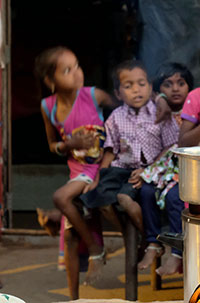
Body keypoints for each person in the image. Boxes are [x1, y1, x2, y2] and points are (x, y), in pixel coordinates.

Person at [36, 46, 114, 296]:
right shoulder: (48, 106)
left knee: (61, 198)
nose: (77, 73)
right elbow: (51, 145)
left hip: (101, 168)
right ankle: (73, 297)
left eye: (77, 65)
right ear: (50, 81)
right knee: (69, 237)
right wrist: (67, 145)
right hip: (78, 173)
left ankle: (94, 248)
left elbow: (124, 114)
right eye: (67, 70)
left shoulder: (95, 96)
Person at [80, 60, 179, 234]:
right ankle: (125, 234)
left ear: (150, 88)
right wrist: (98, 178)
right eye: (128, 86)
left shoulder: (160, 112)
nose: (136, 89)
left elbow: (171, 146)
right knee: (98, 199)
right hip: (121, 170)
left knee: (124, 199)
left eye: (141, 84)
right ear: (118, 94)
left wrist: (149, 170)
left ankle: (149, 238)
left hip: (150, 171)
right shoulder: (116, 117)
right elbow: (110, 150)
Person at [138, 62, 194, 275]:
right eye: (168, 85)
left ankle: (176, 252)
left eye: (181, 83)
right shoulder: (157, 111)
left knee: (174, 198)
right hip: (164, 168)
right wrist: (160, 100)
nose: (175, 88)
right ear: (158, 89)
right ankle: (153, 242)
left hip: (186, 168)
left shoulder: (194, 107)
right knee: (145, 191)